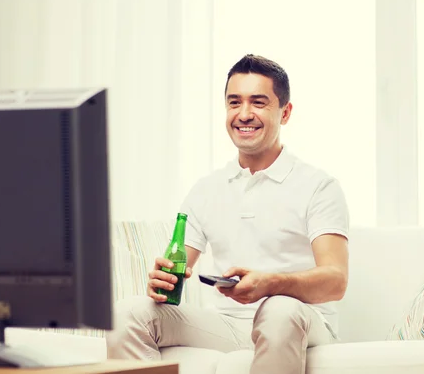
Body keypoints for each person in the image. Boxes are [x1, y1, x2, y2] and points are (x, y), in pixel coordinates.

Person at [106, 54, 350, 374]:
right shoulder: (207, 189)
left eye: (258, 102)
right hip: (228, 326)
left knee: (278, 310)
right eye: (234, 102)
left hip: (301, 321)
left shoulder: (318, 186)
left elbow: (335, 281)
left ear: (285, 112)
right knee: (127, 313)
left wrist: (270, 284)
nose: (244, 114)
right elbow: (178, 267)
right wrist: (164, 279)